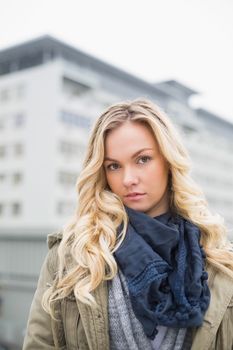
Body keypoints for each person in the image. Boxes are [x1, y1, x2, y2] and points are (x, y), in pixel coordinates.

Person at [23, 99, 233, 350]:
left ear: (168, 160)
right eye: (114, 166)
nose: (128, 179)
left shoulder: (220, 262)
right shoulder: (72, 257)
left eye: (143, 159)